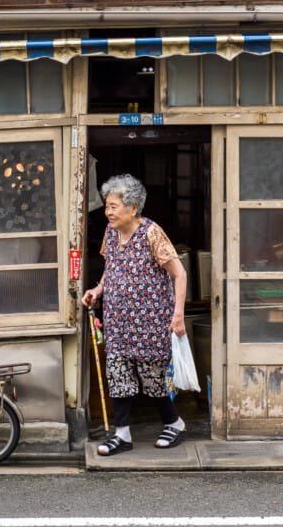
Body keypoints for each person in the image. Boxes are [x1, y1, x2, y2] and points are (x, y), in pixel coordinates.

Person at [81, 174, 188, 456]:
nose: (108, 211)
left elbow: (180, 274)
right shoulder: (110, 233)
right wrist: (98, 289)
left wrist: (178, 315)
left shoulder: (151, 232)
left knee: (152, 380)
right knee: (118, 376)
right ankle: (122, 435)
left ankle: (174, 423)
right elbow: (112, 269)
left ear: (132, 208)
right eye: (107, 205)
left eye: (114, 206)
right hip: (118, 320)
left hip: (151, 321)